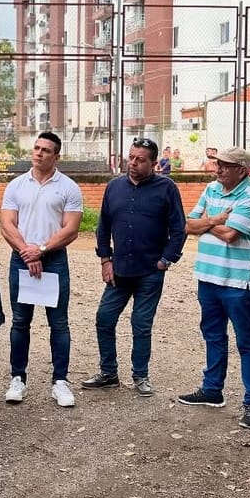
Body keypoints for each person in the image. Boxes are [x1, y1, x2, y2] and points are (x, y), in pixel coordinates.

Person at [82, 137, 186, 398]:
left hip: (150, 271)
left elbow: (179, 228)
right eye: (131, 157)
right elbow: (103, 226)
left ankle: (140, 375)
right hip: (119, 270)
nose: (133, 163)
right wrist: (105, 260)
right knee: (104, 318)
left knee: (141, 324)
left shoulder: (167, 188)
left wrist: (167, 259)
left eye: (140, 160)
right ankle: (108, 373)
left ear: (153, 163)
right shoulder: (114, 186)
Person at [178, 147, 250, 427]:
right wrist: (216, 219)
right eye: (218, 164)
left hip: (237, 282)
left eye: (225, 166)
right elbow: (187, 225)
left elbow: (230, 235)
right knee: (213, 335)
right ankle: (212, 389)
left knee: (246, 342)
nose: (218, 169)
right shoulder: (212, 188)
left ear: (242, 170)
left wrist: (206, 223)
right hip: (208, 276)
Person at [0, 131, 84, 407]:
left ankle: (60, 381)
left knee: (58, 323)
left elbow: (71, 229)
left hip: (54, 260)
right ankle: (17, 379)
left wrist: (42, 249)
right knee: (20, 322)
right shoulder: (16, 185)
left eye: (46, 150)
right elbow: (7, 225)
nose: (38, 153)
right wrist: (27, 251)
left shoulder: (69, 187)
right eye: (36, 148)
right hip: (21, 259)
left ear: (56, 156)